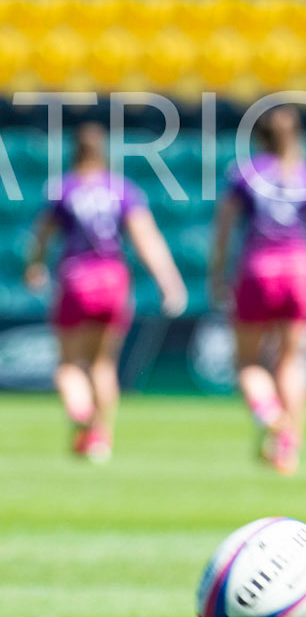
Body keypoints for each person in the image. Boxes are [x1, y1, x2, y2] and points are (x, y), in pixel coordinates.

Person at [23, 121, 186, 462]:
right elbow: (147, 240)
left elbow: (42, 237)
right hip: (112, 280)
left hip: (76, 280)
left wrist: (34, 267)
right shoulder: (122, 190)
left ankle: (81, 414)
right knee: (102, 364)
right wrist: (169, 282)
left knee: (69, 365)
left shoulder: (63, 189)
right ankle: (100, 437)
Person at [208, 105, 306, 474]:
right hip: (300, 271)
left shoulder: (243, 175)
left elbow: (223, 230)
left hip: (258, 271)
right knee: (292, 361)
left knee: (247, 362)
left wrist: (217, 275)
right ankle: (288, 448)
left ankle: (270, 415)